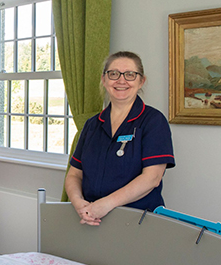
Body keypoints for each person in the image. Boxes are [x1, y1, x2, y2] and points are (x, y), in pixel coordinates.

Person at [65, 51, 175, 226]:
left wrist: (106, 204)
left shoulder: (153, 121)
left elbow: (152, 178)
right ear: (104, 80)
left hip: (138, 222)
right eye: (113, 74)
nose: (121, 80)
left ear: (141, 81)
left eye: (130, 74)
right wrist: (79, 203)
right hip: (91, 219)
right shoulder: (92, 125)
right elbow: (74, 174)